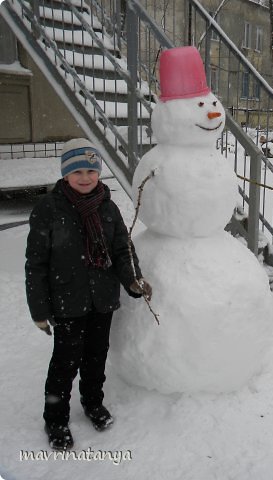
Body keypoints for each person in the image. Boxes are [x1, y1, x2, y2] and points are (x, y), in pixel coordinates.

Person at [25, 138, 152, 451]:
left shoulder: (108, 207)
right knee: (65, 362)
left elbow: (122, 249)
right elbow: (36, 264)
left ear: (98, 173)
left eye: (91, 170)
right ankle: (55, 419)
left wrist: (133, 280)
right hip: (67, 301)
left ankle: (93, 403)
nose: (85, 177)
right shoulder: (48, 210)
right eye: (77, 171)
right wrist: (39, 310)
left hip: (102, 299)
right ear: (65, 175)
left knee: (96, 357)